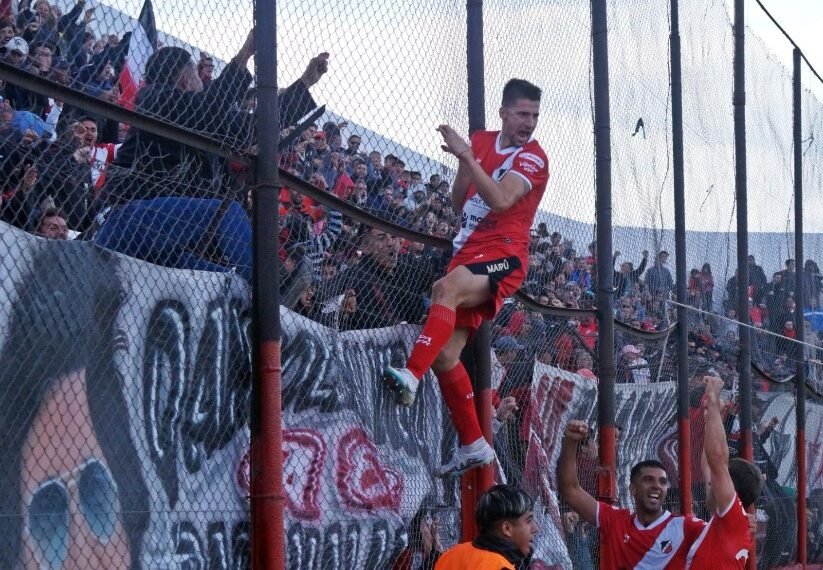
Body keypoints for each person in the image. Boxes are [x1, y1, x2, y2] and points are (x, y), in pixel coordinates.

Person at [383, 79, 549, 477]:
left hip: (504, 256)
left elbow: (501, 199)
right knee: (445, 355)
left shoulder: (534, 158)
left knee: (444, 289)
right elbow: (461, 201)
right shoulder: (482, 141)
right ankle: (474, 443)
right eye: (523, 114)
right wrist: (465, 161)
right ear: (505, 113)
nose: (529, 123)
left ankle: (410, 374)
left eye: (535, 116)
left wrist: (467, 156)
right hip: (469, 252)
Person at [557, 420, 705, 569]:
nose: (656, 486)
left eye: (662, 482)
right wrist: (570, 441)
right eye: (648, 480)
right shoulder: (615, 519)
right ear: (632, 489)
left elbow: (725, 530)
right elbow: (570, 490)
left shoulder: (686, 526)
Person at [685, 375, 763, 568]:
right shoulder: (731, 521)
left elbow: (716, 458)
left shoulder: (733, 517)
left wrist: (712, 398)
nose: (712, 481)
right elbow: (709, 464)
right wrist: (714, 418)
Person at [434, 484, 538, 570]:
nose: (535, 529)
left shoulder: (450, 556)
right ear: (507, 529)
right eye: (528, 521)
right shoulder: (501, 567)